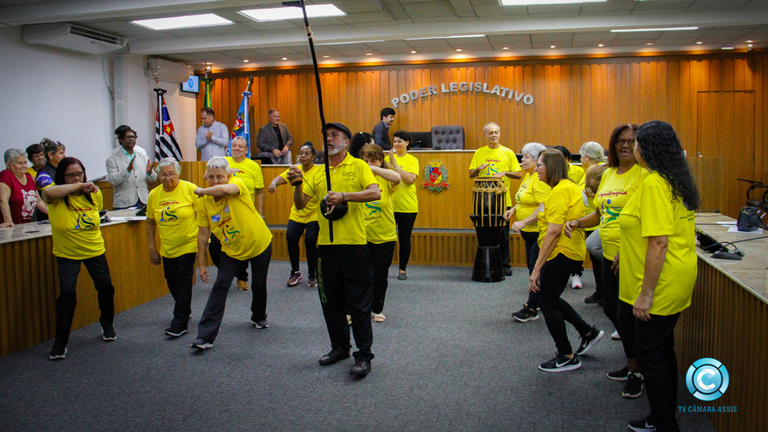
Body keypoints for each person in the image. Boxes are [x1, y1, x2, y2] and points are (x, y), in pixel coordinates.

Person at [620, 120, 699, 432]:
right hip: (678, 274)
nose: (633, 148)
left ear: (647, 148)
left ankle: (665, 424)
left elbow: (659, 241)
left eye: (637, 142)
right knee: (662, 350)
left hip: (661, 281)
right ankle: (663, 416)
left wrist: (646, 294)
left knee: (650, 353)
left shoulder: (654, 184)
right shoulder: (672, 179)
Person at [289, 122, 380, 377]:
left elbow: (375, 193)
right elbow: (300, 204)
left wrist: (344, 196)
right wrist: (297, 184)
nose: (328, 139)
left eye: (334, 135)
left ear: (346, 141)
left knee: (360, 304)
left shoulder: (359, 166)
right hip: (326, 249)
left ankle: (363, 356)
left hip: (354, 246)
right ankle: (340, 347)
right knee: (331, 303)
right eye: (326, 136)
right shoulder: (317, 172)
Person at [564, 124, 648, 397]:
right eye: (620, 141)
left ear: (639, 145)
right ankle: (633, 361)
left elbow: (649, 221)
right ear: (612, 146)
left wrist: (630, 250)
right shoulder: (609, 174)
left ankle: (638, 369)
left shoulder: (644, 175)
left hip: (632, 258)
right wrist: (577, 222)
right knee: (612, 310)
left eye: (631, 141)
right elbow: (600, 215)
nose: (625, 145)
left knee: (628, 316)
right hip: (610, 256)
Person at [530, 149, 603, 372]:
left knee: (547, 302)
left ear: (551, 167)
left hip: (561, 251)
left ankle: (567, 354)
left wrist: (536, 268)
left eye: (539, 165)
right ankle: (587, 332)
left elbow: (553, 232)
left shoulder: (561, 191)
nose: (536, 169)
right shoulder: (569, 187)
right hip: (569, 251)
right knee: (549, 297)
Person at [191, 157, 273, 350]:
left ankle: (259, 316)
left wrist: (201, 191)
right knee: (220, 287)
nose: (215, 181)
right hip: (232, 250)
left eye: (220, 177)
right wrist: (201, 264)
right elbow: (203, 235)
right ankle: (205, 336)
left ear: (228, 176)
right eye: (210, 177)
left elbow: (226, 189)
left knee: (259, 285)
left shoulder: (237, 183)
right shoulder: (203, 203)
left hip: (259, 243)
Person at [43, 157, 116, 360]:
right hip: (67, 254)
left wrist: (85, 187)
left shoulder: (93, 194)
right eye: (71, 175)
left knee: (105, 287)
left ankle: (107, 323)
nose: (76, 178)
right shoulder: (56, 196)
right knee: (67, 294)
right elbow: (47, 192)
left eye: (79, 174)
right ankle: (60, 342)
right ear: (62, 177)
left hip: (94, 250)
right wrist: (76, 186)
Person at [146, 158, 199, 337]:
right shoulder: (154, 195)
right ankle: (184, 308)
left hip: (188, 243)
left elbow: (202, 216)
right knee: (171, 280)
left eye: (171, 174)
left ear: (178, 174)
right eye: (163, 174)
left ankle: (179, 321)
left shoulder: (190, 189)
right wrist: (152, 247)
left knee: (183, 279)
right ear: (158, 176)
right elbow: (150, 222)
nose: (167, 177)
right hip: (167, 246)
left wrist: (202, 244)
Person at [468, 122, 522, 276]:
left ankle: (505, 263)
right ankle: (486, 261)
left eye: (496, 132)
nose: (494, 135)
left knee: (503, 233)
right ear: (485, 135)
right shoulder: (479, 152)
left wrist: (504, 173)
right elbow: (471, 174)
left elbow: (519, 174)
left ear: (500, 134)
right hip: (483, 200)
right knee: (485, 231)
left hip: (502, 201)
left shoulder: (508, 152)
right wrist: (479, 169)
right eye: (491, 133)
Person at [213, 135, 266, 291]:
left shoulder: (253, 166)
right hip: (224, 212)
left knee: (242, 244)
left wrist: (260, 215)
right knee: (215, 245)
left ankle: (241, 277)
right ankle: (228, 272)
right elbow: (210, 179)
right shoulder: (223, 163)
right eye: (234, 145)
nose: (236, 148)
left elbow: (260, 192)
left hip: (244, 213)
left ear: (247, 149)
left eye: (240, 146)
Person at [505, 142, 549, 322]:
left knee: (535, 270)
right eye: (522, 156)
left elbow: (543, 207)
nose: (522, 160)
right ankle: (538, 302)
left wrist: (523, 221)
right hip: (528, 233)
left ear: (538, 159)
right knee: (533, 269)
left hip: (539, 233)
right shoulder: (528, 176)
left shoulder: (539, 180)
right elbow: (525, 200)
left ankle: (532, 308)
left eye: (526, 157)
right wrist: (514, 210)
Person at [268, 142, 320, 287]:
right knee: (291, 237)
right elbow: (280, 178)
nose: (303, 156)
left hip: (313, 213)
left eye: (307, 153)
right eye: (301, 154)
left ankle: (312, 273)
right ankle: (295, 272)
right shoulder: (295, 170)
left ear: (313, 156)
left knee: (310, 240)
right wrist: (273, 184)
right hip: (297, 213)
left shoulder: (318, 172)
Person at [361, 143, 400, 322]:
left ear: (380, 160)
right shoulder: (358, 178)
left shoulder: (385, 176)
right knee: (360, 275)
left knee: (379, 274)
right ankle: (357, 310)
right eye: (365, 160)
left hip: (385, 235)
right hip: (361, 235)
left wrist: (373, 169)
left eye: (374, 159)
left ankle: (377, 309)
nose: (369, 163)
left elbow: (397, 178)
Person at [386, 130, 420, 280]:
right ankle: (384, 268)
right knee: (387, 239)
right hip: (388, 205)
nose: (396, 144)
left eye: (400, 141)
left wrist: (395, 166)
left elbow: (410, 179)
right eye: (394, 141)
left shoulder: (413, 160)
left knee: (404, 238)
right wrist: (389, 163)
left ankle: (402, 269)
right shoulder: (386, 159)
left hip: (407, 206)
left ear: (407, 142)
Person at [578, 141, 608, 305]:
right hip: (589, 221)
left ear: (587, 157)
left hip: (598, 222)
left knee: (602, 262)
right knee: (596, 262)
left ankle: (605, 292)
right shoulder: (587, 172)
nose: (581, 159)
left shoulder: (599, 171)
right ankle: (600, 290)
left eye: (581, 156)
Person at [553, 145, 586, 289]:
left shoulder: (578, 171)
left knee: (574, 243)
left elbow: (582, 190)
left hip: (574, 213)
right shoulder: (552, 172)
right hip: (559, 212)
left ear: (568, 159)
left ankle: (576, 274)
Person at [106, 125, 158, 209]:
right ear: (121, 139)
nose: (131, 139)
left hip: (143, 200)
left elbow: (153, 179)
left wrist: (149, 172)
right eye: (128, 137)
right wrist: (127, 171)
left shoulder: (143, 156)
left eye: (133, 137)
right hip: (124, 203)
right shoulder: (112, 159)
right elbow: (113, 180)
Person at [1, 149, 47, 227]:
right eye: (20, 163)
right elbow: (3, 200)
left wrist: (54, 215)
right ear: (8, 165)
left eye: (25, 162)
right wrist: (8, 221)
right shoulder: (5, 175)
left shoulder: (29, 177)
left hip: (27, 226)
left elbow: (38, 201)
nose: (24, 166)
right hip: (11, 227)